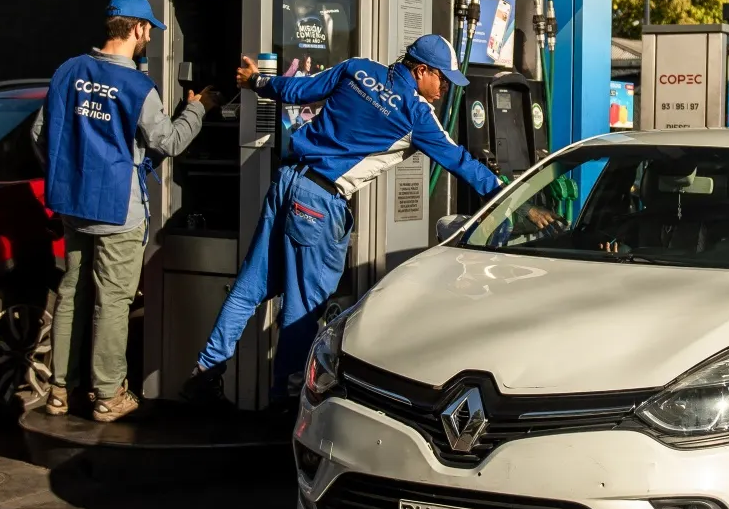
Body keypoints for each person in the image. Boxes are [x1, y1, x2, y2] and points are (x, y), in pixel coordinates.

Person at [187, 34, 503, 406]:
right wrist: (513, 197)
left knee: (248, 288)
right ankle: (285, 400)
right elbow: (461, 162)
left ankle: (204, 377)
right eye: (443, 79)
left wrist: (256, 81)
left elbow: (296, 90)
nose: (445, 88)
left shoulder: (357, 69)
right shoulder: (416, 115)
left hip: (287, 182)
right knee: (304, 307)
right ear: (421, 71)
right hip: (319, 203)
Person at [33, 0, 217, 422]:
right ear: (137, 29)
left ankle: (59, 390)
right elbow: (168, 141)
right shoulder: (137, 86)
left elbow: (41, 134)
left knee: (72, 294)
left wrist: (69, 173)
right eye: (149, 29)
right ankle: (108, 393)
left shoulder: (68, 72)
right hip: (119, 209)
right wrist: (197, 110)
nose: (149, 36)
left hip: (73, 205)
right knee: (112, 302)